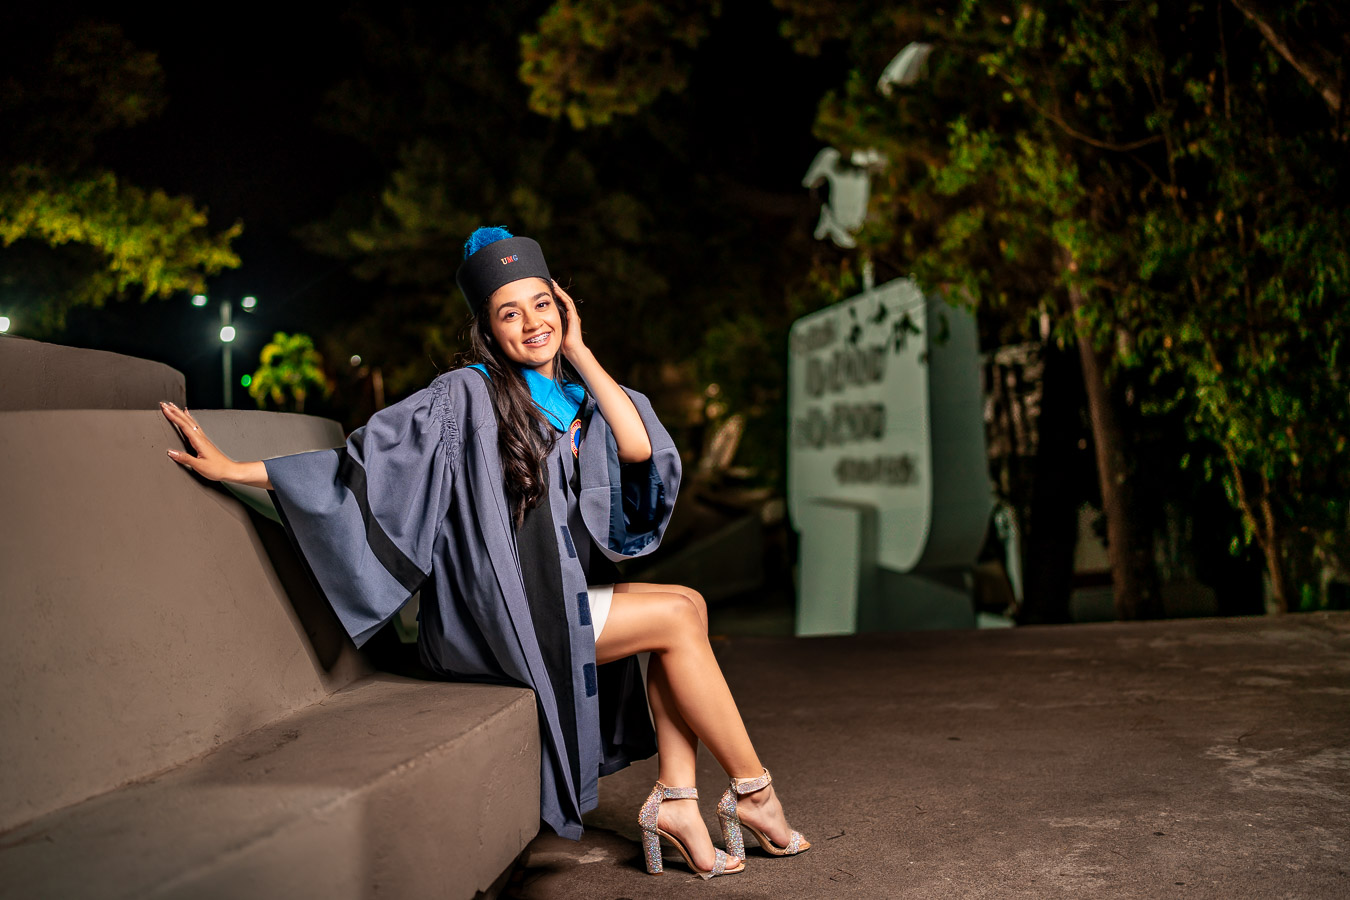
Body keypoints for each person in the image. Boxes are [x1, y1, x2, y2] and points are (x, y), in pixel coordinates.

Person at [159, 227, 808, 879]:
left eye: (542, 304)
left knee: (686, 608)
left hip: (551, 601)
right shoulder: (465, 394)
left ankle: (678, 801)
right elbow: (364, 461)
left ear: (563, 307)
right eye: (509, 312)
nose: (531, 323)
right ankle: (752, 793)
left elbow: (639, 451)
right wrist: (237, 469)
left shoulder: (575, 396)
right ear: (487, 329)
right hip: (489, 620)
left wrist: (580, 350)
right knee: (675, 617)